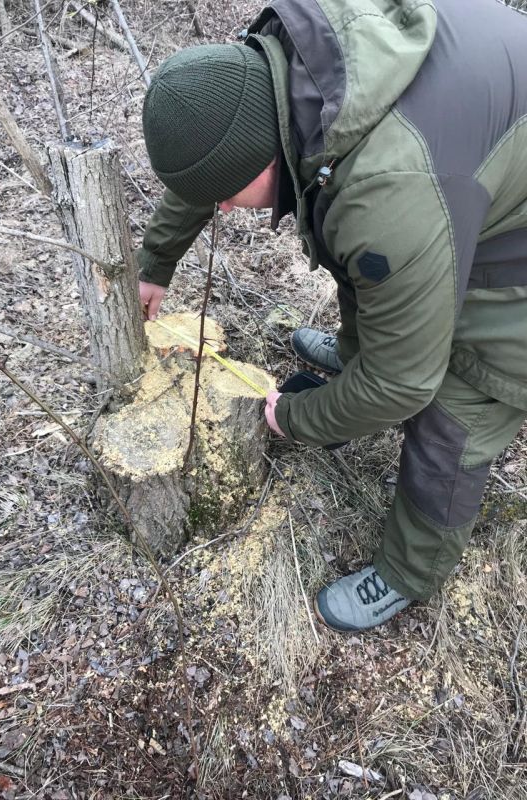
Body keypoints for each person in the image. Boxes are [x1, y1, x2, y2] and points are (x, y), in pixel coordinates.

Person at [136, 0, 527, 632]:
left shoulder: (388, 191)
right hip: (474, 152)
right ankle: (353, 366)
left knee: (457, 408)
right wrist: (156, 262)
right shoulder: (278, 65)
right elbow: (214, 156)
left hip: (511, 253)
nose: (228, 211)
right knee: (373, 265)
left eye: (230, 196)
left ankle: (409, 572)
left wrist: (294, 419)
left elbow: (406, 382)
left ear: (260, 158)